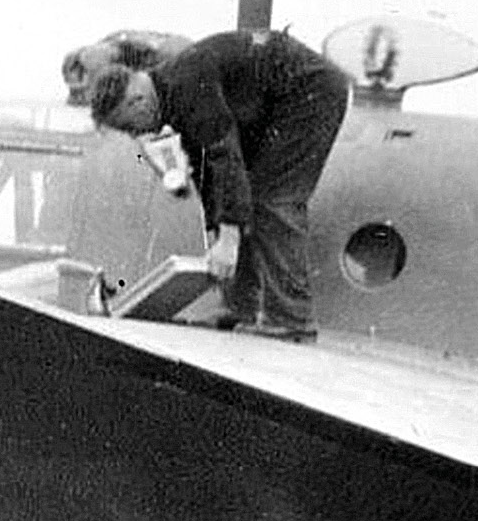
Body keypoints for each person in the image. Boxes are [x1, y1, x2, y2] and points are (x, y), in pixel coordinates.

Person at [82, 29, 350, 341]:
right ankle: (243, 307)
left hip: (309, 91)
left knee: (274, 199)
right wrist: (218, 232)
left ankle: (292, 319)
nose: (134, 135)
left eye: (129, 126)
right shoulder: (172, 92)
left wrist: (229, 238)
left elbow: (225, 155)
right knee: (244, 199)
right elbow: (208, 172)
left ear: (137, 101)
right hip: (279, 100)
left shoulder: (186, 86)